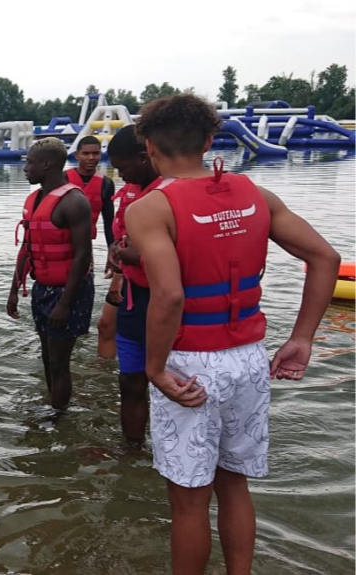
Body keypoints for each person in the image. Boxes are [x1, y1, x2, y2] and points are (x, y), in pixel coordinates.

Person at [126, 94, 339, 575]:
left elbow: (171, 297)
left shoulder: (149, 208)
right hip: (248, 357)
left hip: (190, 365)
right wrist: (302, 337)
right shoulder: (255, 195)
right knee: (234, 485)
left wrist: (155, 369)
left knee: (189, 503)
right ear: (208, 140)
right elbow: (324, 257)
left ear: (149, 146)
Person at [7, 137, 94, 410]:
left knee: (59, 360)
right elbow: (26, 248)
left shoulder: (74, 201)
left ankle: (58, 419)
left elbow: (83, 256)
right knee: (47, 356)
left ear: (46, 164)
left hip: (68, 292)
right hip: (43, 288)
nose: (25, 169)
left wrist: (64, 304)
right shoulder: (34, 199)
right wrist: (13, 290)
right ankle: (53, 405)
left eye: (29, 163)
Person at [105, 125, 163, 446]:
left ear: (145, 157)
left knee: (170, 381)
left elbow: (181, 252)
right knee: (129, 382)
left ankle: (170, 454)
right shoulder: (132, 190)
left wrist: (130, 255)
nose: (120, 174)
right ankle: (131, 451)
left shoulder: (170, 193)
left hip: (164, 299)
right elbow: (122, 236)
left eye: (123, 167)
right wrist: (118, 259)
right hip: (132, 297)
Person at [67, 135, 116, 247]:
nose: (91, 157)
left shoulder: (106, 184)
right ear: (77, 155)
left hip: (85, 243)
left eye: (95, 153)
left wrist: (112, 249)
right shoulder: (63, 179)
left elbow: (108, 222)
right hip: (62, 241)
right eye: (86, 154)